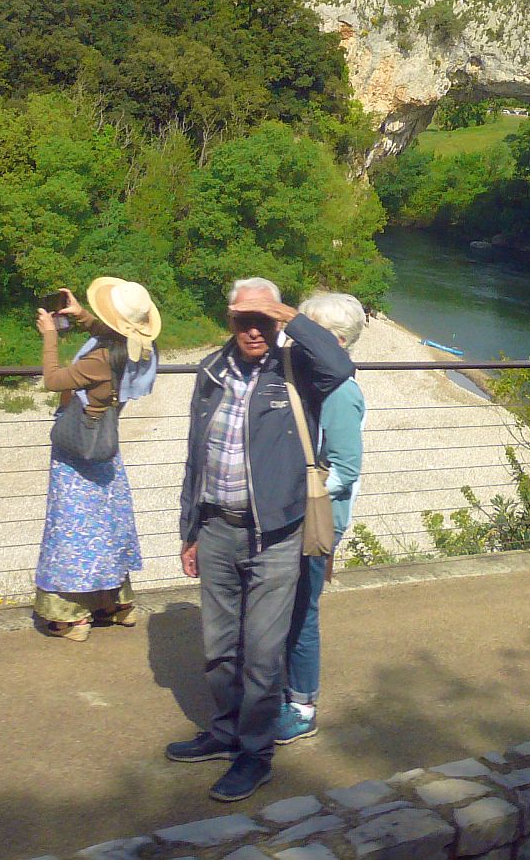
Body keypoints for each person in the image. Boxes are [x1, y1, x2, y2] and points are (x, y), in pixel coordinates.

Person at [164, 277, 355, 802]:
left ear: (275, 321)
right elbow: (195, 458)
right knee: (219, 649)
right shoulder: (210, 372)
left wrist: (287, 316)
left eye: (263, 320)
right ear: (228, 320)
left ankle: (255, 754)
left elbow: (342, 367)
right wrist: (190, 531)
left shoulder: (296, 369)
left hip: (275, 536)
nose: (253, 330)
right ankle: (225, 734)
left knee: (262, 653)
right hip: (217, 528)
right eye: (243, 319)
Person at [32, 277, 161, 640]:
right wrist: (83, 317)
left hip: (78, 451)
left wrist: (50, 335)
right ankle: (115, 603)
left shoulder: (99, 359)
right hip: (106, 444)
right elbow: (117, 336)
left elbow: (55, 380)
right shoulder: (141, 350)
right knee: (107, 526)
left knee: (71, 529)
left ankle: (71, 615)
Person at [277, 291, 368, 745]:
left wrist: (293, 495)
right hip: (301, 514)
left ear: (332, 340)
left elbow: (346, 470)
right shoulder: (312, 383)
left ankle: (301, 704)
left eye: (308, 331)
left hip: (317, 519)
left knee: (301, 611)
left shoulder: (341, 394)